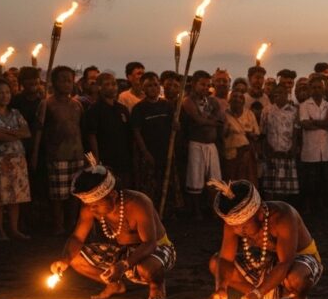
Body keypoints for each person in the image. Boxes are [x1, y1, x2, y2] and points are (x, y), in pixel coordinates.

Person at [50, 154, 174, 299]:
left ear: (113, 195)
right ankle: (114, 285)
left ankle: (156, 285)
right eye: (89, 205)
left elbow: (150, 244)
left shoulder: (138, 202)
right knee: (74, 257)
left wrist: (124, 265)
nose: (92, 210)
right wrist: (64, 259)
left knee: (145, 268)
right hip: (123, 251)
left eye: (96, 205)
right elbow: (77, 237)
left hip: (157, 249)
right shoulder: (89, 208)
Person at [207, 179, 322, 299]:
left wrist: (257, 293)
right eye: (234, 226)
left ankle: (299, 298)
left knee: (296, 277)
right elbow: (225, 259)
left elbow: (286, 262)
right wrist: (221, 288)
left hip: (299, 262)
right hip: (268, 263)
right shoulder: (233, 224)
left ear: (260, 214)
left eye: (243, 226)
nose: (237, 230)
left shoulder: (283, 216)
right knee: (215, 262)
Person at [33, 66, 84, 235]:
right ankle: (58, 224)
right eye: (63, 80)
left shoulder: (77, 105)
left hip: (76, 154)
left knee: (75, 194)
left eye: (70, 80)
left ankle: (72, 223)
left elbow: (80, 129)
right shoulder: (47, 104)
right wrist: (35, 155)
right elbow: (39, 131)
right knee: (58, 195)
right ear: (54, 82)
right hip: (56, 155)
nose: (67, 84)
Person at [0, 76, 32, 241]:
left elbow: (27, 133)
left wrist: (5, 133)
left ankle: (14, 229)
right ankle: (0, 231)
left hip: (17, 159)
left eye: (7, 92)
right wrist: (15, 133)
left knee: (15, 197)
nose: (5, 96)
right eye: (1, 92)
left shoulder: (16, 113)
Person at [181, 70, 224, 218]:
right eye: (202, 84)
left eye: (208, 85)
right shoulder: (188, 101)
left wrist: (207, 121)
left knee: (215, 180)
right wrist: (209, 121)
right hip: (196, 144)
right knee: (195, 179)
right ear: (194, 84)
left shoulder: (212, 101)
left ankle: (214, 210)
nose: (206, 88)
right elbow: (198, 120)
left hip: (211, 145)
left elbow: (219, 120)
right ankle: (196, 212)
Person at [130, 72, 174, 204]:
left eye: (155, 85)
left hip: (166, 150)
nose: (153, 88)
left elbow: (172, 126)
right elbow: (136, 132)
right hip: (149, 151)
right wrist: (145, 152)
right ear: (143, 88)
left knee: (165, 183)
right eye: (149, 85)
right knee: (149, 185)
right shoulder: (139, 108)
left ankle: (166, 211)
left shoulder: (167, 105)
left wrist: (176, 126)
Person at [85, 73, 134, 187]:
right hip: (105, 159)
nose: (112, 87)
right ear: (99, 87)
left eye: (114, 84)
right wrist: (96, 161)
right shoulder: (94, 110)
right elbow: (91, 136)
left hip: (123, 159)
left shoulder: (122, 109)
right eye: (107, 84)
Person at [298, 76, 328, 212]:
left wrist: (315, 122)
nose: (317, 90)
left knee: (324, 180)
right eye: (314, 87)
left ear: (323, 88)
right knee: (310, 181)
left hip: (326, 149)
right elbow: (305, 124)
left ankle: (322, 205)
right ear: (310, 89)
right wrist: (324, 124)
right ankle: (308, 206)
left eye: (319, 87)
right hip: (310, 150)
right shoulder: (304, 105)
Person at [261, 86, 300, 199]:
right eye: (277, 93)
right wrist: (267, 148)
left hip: (286, 151)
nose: (280, 95)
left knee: (285, 187)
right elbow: (263, 131)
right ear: (273, 95)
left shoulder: (293, 111)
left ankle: (284, 210)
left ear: (287, 94)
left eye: (282, 92)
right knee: (270, 187)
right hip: (272, 151)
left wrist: (293, 147)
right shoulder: (267, 110)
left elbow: (296, 130)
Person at [223, 87, 261, 184]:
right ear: (229, 100)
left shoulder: (249, 114)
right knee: (232, 184)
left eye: (240, 97)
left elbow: (256, 134)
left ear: (243, 101)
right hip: (230, 155)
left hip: (246, 154)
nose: (237, 99)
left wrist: (249, 134)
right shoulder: (224, 115)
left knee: (247, 182)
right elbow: (221, 135)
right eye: (234, 96)